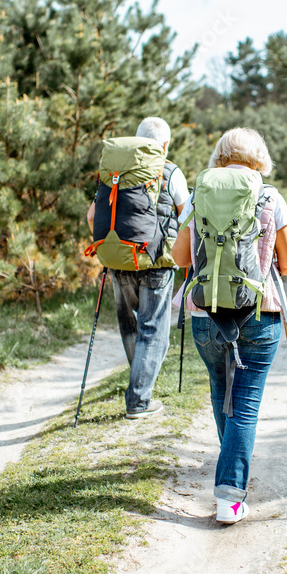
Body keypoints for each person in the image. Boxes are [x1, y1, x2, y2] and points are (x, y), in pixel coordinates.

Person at [171, 127, 287, 524]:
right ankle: (229, 495)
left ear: (220, 157)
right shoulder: (270, 196)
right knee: (244, 406)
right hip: (259, 315)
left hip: (206, 314)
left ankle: (231, 472)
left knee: (219, 390)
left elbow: (179, 258)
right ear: (259, 159)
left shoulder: (198, 194)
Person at [87, 117, 189, 419]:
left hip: (119, 259)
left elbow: (93, 217)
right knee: (154, 330)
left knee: (130, 325)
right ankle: (139, 400)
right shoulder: (170, 171)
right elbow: (187, 218)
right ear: (165, 145)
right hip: (156, 261)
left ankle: (139, 385)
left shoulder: (114, 173)